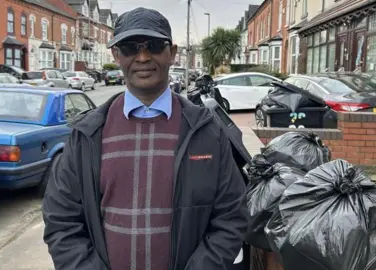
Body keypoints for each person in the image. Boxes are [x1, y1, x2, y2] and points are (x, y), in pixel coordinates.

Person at [42, 7, 248, 270]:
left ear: (172, 53)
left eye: (153, 45)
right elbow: (61, 221)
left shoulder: (207, 131)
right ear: (116, 55)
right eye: (129, 48)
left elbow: (231, 216)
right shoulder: (87, 135)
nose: (142, 57)